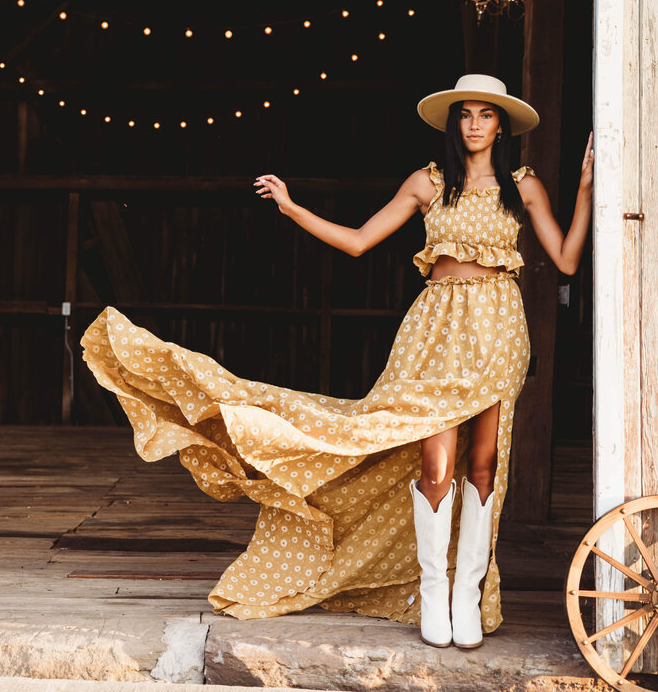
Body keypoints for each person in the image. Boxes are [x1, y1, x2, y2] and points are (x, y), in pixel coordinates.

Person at [80, 73, 594, 649]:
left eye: (485, 115)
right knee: (436, 465)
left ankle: (467, 595)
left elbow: (568, 260)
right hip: (435, 331)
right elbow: (357, 240)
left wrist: (585, 191)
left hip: (498, 328)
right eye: (466, 114)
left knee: (484, 465)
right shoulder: (428, 183)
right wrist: (293, 208)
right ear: (455, 124)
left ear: (501, 125)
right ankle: (432, 592)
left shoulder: (522, 187)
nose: (474, 124)